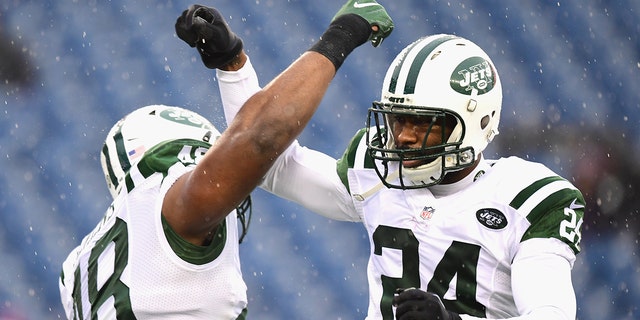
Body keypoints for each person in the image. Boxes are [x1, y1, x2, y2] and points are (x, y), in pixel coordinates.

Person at [210, 22, 585, 320]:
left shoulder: (530, 199)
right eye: (397, 120)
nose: (403, 136)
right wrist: (233, 68)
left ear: (475, 121)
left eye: (422, 123)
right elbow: (268, 164)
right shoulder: (379, 170)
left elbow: (551, 314)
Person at [57, 1, 393, 319]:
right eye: (205, 160)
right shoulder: (172, 206)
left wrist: (234, 67)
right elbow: (260, 141)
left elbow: (269, 163)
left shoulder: (79, 268)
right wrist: (341, 36)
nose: (218, 167)